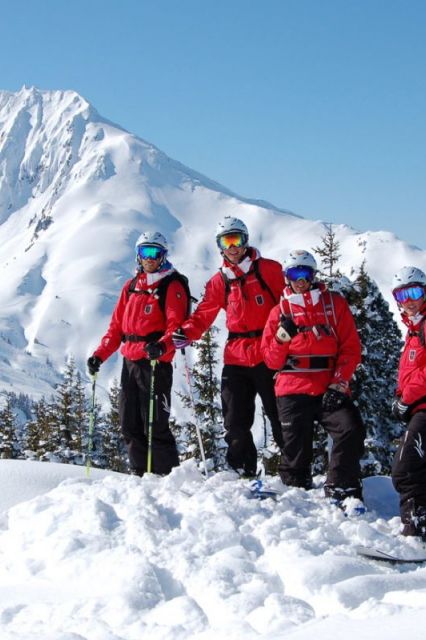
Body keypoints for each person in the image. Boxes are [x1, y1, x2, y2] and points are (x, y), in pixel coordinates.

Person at [172, 216, 285, 477]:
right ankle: (241, 471)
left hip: (269, 353)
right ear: (220, 246)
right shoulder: (220, 281)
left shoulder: (269, 270)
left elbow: (290, 301)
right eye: (227, 241)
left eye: (237, 239)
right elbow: (203, 314)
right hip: (236, 356)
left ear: (246, 241)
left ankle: (293, 472)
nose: (233, 246)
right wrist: (186, 333)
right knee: (234, 420)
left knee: (279, 416)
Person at [261, 249, 365, 503]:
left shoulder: (333, 305)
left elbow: (351, 348)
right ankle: (295, 493)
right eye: (294, 274)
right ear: (287, 277)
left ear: (313, 275)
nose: (300, 280)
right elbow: (271, 360)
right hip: (292, 385)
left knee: (351, 429)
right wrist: (282, 337)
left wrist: (339, 383)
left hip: (328, 385)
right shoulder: (280, 311)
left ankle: (342, 487)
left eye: (305, 273)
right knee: (295, 448)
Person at [87, 231, 189, 476]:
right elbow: (116, 327)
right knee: (129, 422)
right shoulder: (132, 286)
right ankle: (139, 472)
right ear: (138, 255)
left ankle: (166, 476)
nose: (150, 258)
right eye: (145, 253)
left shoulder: (171, 284)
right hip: (130, 361)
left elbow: (176, 325)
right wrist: (99, 355)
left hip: (155, 361)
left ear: (163, 255)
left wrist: (162, 346)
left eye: (155, 253)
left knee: (154, 424)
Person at [390, 266, 426, 539]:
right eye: (403, 294)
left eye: (415, 291)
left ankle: (415, 533)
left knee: (406, 469)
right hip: (418, 408)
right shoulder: (414, 330)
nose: (409, 300)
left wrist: (407, 397)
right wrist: (399, 397)